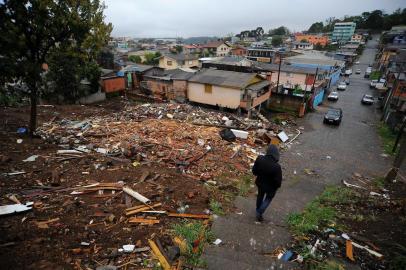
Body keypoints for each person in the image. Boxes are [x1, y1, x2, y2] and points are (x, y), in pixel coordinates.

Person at [252, 144, 282, 222]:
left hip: (260, 183)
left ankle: (258, 210)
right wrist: (276, 187)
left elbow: (254, 171)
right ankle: (259, 212)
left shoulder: (260, 158)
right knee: (268, 198)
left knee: (260, 196)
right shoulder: (277, 167)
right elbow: (278, 182)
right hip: (270, 188)